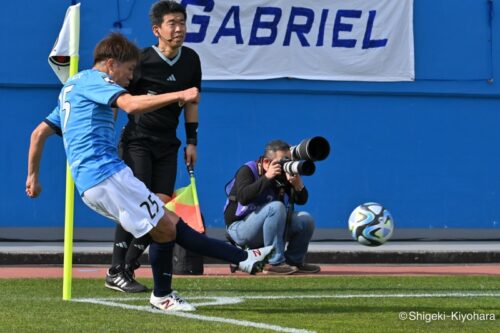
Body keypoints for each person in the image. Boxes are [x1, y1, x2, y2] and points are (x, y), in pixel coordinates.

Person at [26, 32, 273, 312]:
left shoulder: (71, 87)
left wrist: (32, 176)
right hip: (106, 176)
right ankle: (233, 262)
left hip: (92, 182)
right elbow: (130, 104)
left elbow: (38, 133)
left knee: (166, 226)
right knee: (167, 226)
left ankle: (214, 271)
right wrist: (180, 94)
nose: (130, 78)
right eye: (129, 70)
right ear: (110, 64)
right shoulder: (97, 80)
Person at [105, 0, 203, 293]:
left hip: (168, 145)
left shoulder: (191, 60)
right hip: (138, 142)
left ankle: (127, 267)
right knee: (135, 202)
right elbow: (118, 100)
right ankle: (116, 268)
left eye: (182, 22)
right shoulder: (142, 60)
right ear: (156, 29)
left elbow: (192, 102)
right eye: (172, 23)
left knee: (157, 207)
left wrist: (192, 142)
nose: (179, 29)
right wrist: (107, 137)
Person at [224, 140, 320, 275]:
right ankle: (274, 262)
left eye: (288, 160)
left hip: (267, 225)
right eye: (282, 161)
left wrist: (298, 185)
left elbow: (302, 200)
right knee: (276, 207)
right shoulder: (248, 170)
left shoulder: (283, 175)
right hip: (240, 228)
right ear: (266, 162)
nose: (286, 164)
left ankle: (294, 261)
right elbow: (243, 197)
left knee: (306, 220)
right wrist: (267, 177)